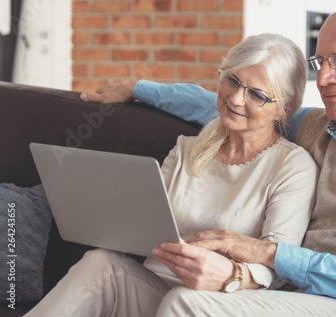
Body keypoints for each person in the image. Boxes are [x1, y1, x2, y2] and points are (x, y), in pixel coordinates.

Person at [80, 4, 336, 316]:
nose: (323, 79)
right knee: (108, 268)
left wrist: (266, 253)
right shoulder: (319, 126)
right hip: (293, 297)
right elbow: (232, 105)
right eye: (320, 62)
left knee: (188, 303)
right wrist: (138, 87)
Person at [25, 33, 319, 316]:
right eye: (232, 81)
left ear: (283, 108)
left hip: (222, 301)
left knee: (183, 298)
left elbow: (279, 263)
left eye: (256, 94)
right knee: (101, 262)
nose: (236, 99)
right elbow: (147, 225)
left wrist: (232, 275)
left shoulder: (293, 167)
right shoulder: (187, 149)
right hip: (153, 288)